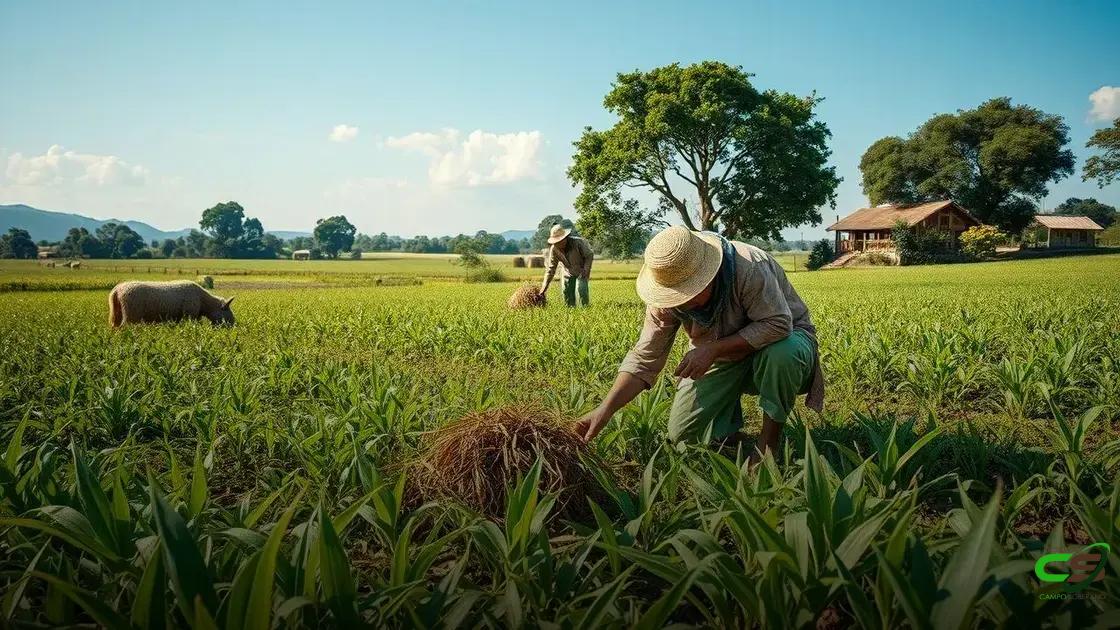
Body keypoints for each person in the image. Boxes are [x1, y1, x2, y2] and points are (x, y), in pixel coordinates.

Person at [574, 225, 824, 461]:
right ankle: (728, 429)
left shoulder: (749, 267)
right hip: (722, 357)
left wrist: (713, 349)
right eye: (675, 295)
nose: (680, 303)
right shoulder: (665, 293)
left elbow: (778, 324)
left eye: (688, 292)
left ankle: (768, 444)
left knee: (782, 353)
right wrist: (604, 410)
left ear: (709, 275)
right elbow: (645, 357)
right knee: (683, 439)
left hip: (783, 342)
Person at [540, 223, 594, 307]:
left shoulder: (577, 242)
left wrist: (586, 269)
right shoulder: (554, 249)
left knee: (581, 290)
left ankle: (585, 312)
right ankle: (571, 314)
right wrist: (544, 288)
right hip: (567, 272)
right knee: (567, 295)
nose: (558, 244)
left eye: (560, 241)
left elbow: (589, 255)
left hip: (581, 271)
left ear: (565, 238)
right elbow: (551, 269)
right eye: (556, 242)